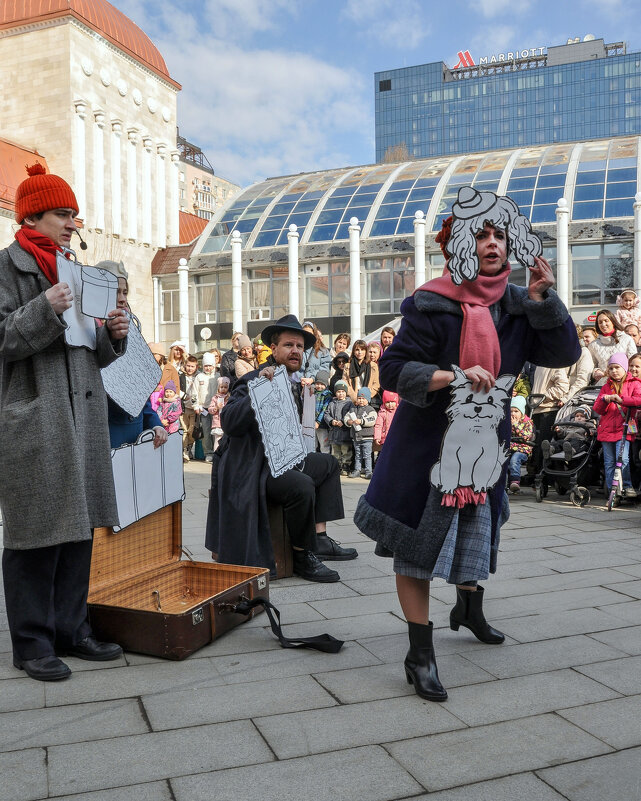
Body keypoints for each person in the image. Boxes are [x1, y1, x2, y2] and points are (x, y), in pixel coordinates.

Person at [354, 187, 580, 702]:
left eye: (500, 234)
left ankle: (469, 610)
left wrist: (546, 301)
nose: (493, 243)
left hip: (485, 448)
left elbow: (564, 354)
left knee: (476, 536)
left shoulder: (522, 305)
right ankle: (420, 654)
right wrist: (449, 375)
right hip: (426, 451)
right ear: (459, 243)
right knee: (417, 548)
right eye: (481, 234)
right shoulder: (430, 304)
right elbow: (392, 370)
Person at [0, 164, 129, 681]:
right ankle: (32, 643)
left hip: (81, 413)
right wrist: (43, 308)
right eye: (62, 214)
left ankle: (72, 630)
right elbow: (4, 338)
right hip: (36, 414)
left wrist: (113, 336)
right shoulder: (8, 267)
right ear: (33, 215)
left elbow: (89, 350)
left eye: (74, 214)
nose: (72, 223)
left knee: (78, 530)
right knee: (35, 532)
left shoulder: (76, 268)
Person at [205, 315, 358, 583]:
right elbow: (229, 421)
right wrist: (259, 388)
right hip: (257, 468)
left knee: (328, 465)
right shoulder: (254, 377)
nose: (295, 351)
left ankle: (319, 538)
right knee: (301, 485)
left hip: (285, 458)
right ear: (273, 349)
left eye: (300, 346)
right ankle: (303, 555)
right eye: (289, 345)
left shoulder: (295, 383)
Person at [593, 353, 641, 498]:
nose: (614, 371)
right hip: (607, 429)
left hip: (624, 429)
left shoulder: (634, 383)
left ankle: (627, 485)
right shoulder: (606, 386)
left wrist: (621, 400)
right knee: (609, 461)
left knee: (623, 459)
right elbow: (597, 409)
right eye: (611, 368)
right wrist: (604, 400)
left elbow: (638, 400)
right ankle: (611, 488)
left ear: (624, 368)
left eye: (617, 367)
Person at [588, 309, 637, 381]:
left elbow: (633, 363)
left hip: (624, 383)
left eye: (606, 321)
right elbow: (590, 366)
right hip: (603, 384)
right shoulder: (593, 345)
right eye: (600, 322)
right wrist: (596, 371)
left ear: (613, 321)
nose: (603, 324)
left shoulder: (627, 339)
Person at [345, 387, 377, 479]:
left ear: (368, 399)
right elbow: (346, 417)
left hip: (367, 437)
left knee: (367, 455)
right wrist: (349, 422)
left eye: (363, 398)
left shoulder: (370, 409)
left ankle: (368, 471)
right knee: (358, 455)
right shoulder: (353, 409)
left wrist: (362, 421)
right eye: (359, 398)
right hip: (356, 437)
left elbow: (372, 419)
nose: (361, 400)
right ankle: (357, 470)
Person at [324, 379, 354, 475]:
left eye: (342, 391)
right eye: (338, 391)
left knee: (346, 451)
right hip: (334, 432)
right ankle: (337, 466)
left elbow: (351, 414)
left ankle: (346, 466)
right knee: (335, 451)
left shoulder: (349, 403)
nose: (340, 394)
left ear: (346, 392)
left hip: (345, 432)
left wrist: (343, 421)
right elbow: (326, 414)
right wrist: (331, 421)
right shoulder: (332, 403)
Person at [507, 396, 534, 493]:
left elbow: (526, 436)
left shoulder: (527, 423)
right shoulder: (507, 421)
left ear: (521, 412)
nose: (513, 414)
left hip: (522, 449)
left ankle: (515, 481)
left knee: (515, 460)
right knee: (503, 460)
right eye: (511, 411)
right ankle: (504, 481)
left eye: (516, 411)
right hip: (511, 448)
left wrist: (515, 425)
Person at [196, 352, 219, 462]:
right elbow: (194, 392)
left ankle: (217, 451)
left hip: (216, 409)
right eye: (206, 366)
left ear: (214, 366)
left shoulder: (218, 377)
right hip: (204, 409)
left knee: (216, 430)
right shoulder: (199, 377)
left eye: (210, 365)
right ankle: (208, 452)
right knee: (206, 430)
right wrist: (196, 405)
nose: (208, 368)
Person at [180, 354, 201, 461]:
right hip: (184, 407)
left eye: (192, 366)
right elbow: (177, 388)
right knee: (184, 429)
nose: (190, 368)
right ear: (185, 365)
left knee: (192, 430)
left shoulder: (199, 376)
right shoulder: (181, 376)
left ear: (196, 367)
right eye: (188, 366)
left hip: (194, 408)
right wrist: (183, 396)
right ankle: (184, 450)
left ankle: (189, 446)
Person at [567, 323, 596, 397]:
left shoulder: (584, 352)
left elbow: (583, 379)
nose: (584, 339)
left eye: (587, 337)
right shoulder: (563, 352)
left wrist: (567, 398)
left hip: (573, 396)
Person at [207, 376, 230, 452]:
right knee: (217, 440)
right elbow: (210, 409)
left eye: (225, 387)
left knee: (227, 440)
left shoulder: (230, 397)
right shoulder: (215, 398)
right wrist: (216, 407)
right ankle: (216, 454)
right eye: (221, 387)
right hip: (218, 422)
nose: (223, 389)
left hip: (226, 422)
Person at [313, 369, 332, 454]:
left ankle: (325, 460)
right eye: (317, 384)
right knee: (313, 444)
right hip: (312, 423)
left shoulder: (327, 395)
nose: (319, 386)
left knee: (324, 444)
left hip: (322, 424)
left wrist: (318, 421)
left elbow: (324, 410)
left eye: (322, 384)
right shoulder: (313, 393)